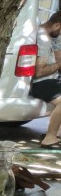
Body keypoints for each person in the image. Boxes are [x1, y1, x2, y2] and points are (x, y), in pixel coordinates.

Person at [31, 11, 61, 148]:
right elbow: (39, 72)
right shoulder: (43, 39)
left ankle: (56, 133)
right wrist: (59, 64)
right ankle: (49, 138)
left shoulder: (46, 35)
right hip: (42, 83)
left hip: (51, 79)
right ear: (57, 25)